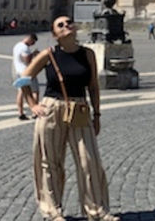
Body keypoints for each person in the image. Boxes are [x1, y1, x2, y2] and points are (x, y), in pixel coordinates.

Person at [17, 16, 119, 221]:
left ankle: (97, 210)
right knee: (50, 162)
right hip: (52, 110)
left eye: (69, 22)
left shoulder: (87, 54)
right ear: (55, 35)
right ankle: (53, 211)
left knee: (89, 161)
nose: (66, 26)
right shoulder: (49, 54)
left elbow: (93, 86)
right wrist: (33, 105)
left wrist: (97, 114)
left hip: (80, 109)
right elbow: (23, 79)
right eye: (60, 25)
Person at [12, 33, 39, 120]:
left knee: (21, 92)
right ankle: (35, 112)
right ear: (30, 39)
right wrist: (34, 54)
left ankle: (20, 112)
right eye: (33, 42)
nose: (32, 44)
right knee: (35, 91)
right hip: (27, 72)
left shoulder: (17, 45)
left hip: (18, 71)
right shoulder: (24, 48)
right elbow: (27, 60)